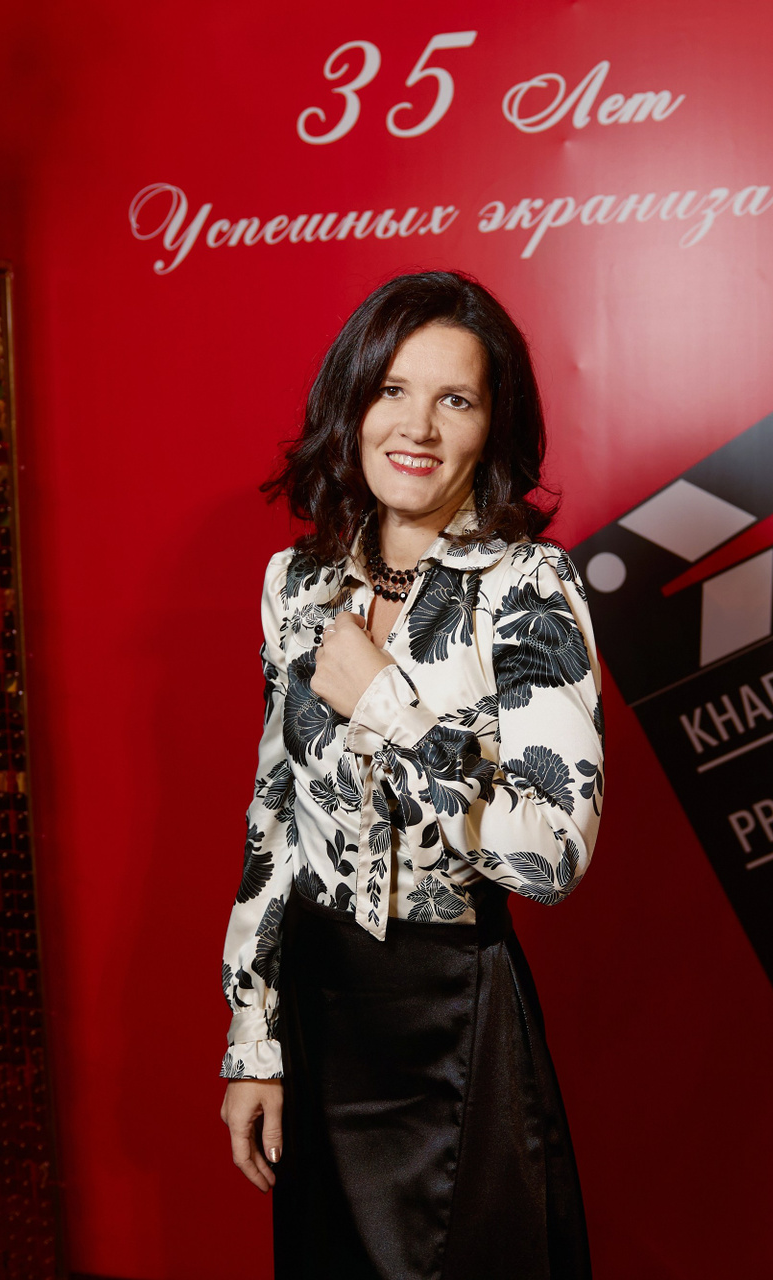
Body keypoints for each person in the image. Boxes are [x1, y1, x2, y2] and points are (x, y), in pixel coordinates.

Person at [217, 271, 603, 1278]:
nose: (417, 426)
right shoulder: (298, 584)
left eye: (455, 398)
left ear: (492, 425)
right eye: (392, 389)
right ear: (352, 403)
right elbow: (274, 818)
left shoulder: (529, 587)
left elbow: (553, 853)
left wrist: (387, 703)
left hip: (450, 1021)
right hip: (318, 1010)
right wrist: (254, 1041)